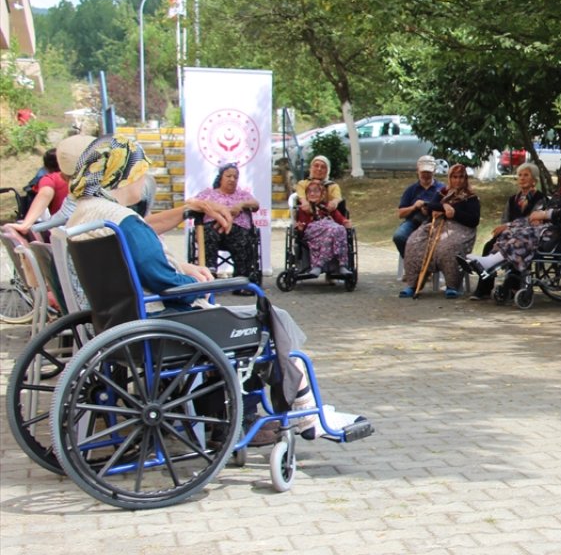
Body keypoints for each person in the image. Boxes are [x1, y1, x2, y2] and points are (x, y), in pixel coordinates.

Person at [65, 135, 326, 437]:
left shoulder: (86, 214)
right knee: (268, 316)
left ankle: (258, 410)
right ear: (125, 176)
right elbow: (160, 277)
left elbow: (146, 264)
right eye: (141, 174)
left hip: (124, 323)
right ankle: (292, 410)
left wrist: (185, 269)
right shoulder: (122, 220)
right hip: (162, 324)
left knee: (255, 319)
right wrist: (195, 282)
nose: (145, 181)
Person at [465, 158, 561, 298]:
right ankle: (490, 262)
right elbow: (550, 209)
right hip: (549, 227)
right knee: (511, 231)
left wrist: (545, 214)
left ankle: (492, 264)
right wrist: (541, 216)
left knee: (523, 234)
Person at [401, 164, 481, 298]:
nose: (458, 180)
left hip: (460, 229)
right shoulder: (443, 192)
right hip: (437, 226)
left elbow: (474, 220)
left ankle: (451, 285)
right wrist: (444, 205)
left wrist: (455, 213)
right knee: (414, 242)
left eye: (461, 177)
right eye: (454, 177)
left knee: (448, 247)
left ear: (466, 178)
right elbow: (430, 206)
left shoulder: (471, 197)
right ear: (450, 178)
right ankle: (413, 284)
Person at [467, 162, 545, 300]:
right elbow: (504, 219)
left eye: (526, 175)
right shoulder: (512, 199)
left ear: (534, 180)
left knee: (516, 245)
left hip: (528, 236)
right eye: (520, 175)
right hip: (510, 233)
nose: (522, 178)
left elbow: (534, 220)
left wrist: (509, 226)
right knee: (488, 246)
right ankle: (484, 288)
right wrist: (505, 228)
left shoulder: (540, 198)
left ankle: (512, 287)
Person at [191, 163, 261, 281]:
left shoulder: (242, 195)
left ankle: (241, 280)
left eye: (235, 177)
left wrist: (241, 205)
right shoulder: (209, 194)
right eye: (228, 176)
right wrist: (220, 213)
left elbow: (255, 204)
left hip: (237, 230)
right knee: (208, 233)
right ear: (221, 177)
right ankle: (209, 274)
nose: (232, 179)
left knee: (243, 239)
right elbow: (191, 202)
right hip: (213, 228)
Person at [294, 155, 350, 278]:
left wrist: (334, 205)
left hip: (330, 225)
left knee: (339, 229)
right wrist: (305, 204)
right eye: (316, 165)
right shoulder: (303, 184)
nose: (319, 169)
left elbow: (337, 200)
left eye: (323, 167)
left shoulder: (332, 186)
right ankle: (320, 265)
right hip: (313, 227)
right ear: (311, 167)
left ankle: (341, 265)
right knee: (333, 230)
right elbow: (302, 199)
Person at [393, 156, 446, 259]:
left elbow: (448, 207)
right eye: (423, 172)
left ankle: (429, 265)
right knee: (399, 236)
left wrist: (433, 209)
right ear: (417, 171)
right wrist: (414, 207)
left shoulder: (442, 188)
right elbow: (401, 213)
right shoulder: (411, 189)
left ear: (434, 171)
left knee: (441, 242)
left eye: (428, 172)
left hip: (435, 223)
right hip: (414, 222)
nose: (426, 175)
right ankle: (412, 262)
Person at [10, 147, 69, 238]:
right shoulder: (83, 177)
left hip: (62, 231)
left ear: (45, 166)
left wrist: (25, 225)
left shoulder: (50, 179)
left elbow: (44, 195)